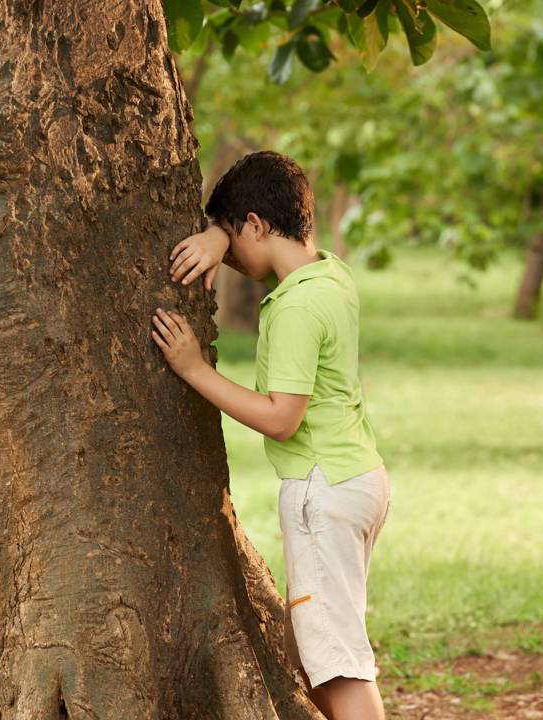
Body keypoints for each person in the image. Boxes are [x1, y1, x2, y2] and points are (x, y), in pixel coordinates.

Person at [150, 151, 390, 720]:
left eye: (234, 238)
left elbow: (283, 418)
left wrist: (193, 371)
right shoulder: (330, 274)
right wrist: (215, 234)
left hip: (320, 489)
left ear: (255, 223)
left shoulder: (294, 308)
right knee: (309, 653)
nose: (229, 255)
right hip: (357, 479)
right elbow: (257, 251)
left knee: (336, 664)